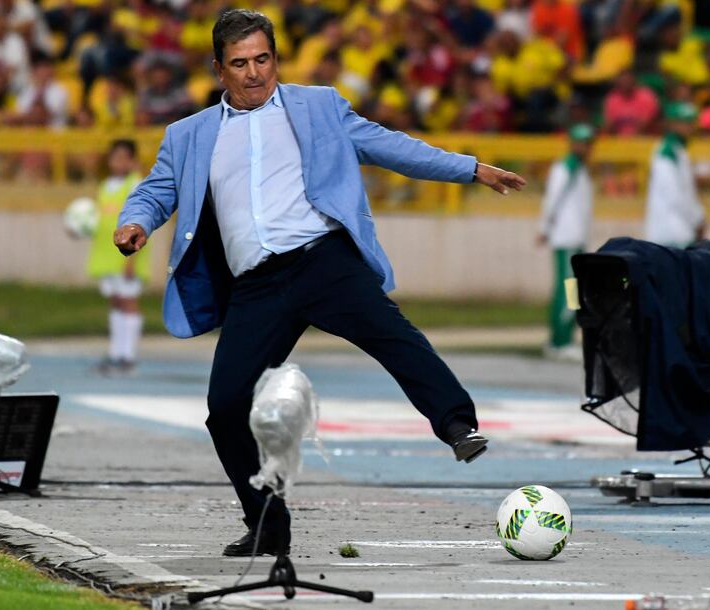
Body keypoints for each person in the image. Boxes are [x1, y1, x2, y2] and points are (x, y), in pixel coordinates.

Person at [113, 9, 525, 558]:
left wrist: (469, 168)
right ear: (219, 70)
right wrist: (135, 220)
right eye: (240, 64)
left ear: (276, 60)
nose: (254, 73)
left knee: (393, 335)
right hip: (257, 286)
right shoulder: (189, 135)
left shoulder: (319, 106)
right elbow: (156, 189)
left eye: (263, 59)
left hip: (322, 260)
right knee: (225, 408)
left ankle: (456, 425)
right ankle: (267, 524)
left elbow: (391, 146)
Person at [89, 139, 149, 374]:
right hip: (106, 255)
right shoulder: (105, 186)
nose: (118, 162)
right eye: (114, 157)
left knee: (128, 302)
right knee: (115, 301)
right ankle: (115, 352)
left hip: (126, 257)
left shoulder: (136, 185)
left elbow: (139, 222)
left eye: (124, 158)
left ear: (133, 161)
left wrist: (131, 259)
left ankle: (128, 355)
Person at [537, 123, 594, 361]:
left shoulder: (578, 169)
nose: (586, 147)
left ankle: (561, 338)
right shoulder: (566, 168)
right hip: (567, 237)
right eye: (581, 142)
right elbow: (552, 200)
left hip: (575, 236)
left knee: (571, 289)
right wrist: (544, 228)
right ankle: (561, 341)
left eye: (588, 142)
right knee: (568, 290)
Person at [643, 102, 705, 248]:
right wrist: (696, 219)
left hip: (681, 231)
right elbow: (674, 194)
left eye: (691, 122)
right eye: (684, 122)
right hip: (670, 234)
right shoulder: (667, 152)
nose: (689, 127)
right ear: (672, 124)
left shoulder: (678, 150)